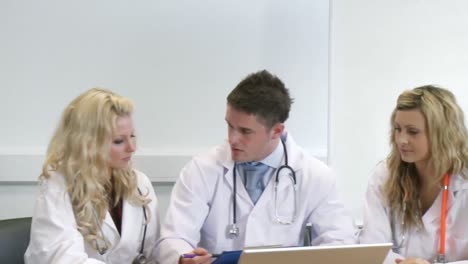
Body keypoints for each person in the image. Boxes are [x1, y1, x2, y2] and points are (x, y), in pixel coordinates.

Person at [155, 70, 356, 264]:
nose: (232, 138)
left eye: (245, 131)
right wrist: (183, 257)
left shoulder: (315, 175)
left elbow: (340, 242)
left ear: (276, 131)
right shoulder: (201, 170)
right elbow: (173, 238)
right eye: (230, 126)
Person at [24, 88, 160, 263]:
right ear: (88, 143)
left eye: (132, 136)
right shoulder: (58, 186)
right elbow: (61, 258)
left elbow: (152, 251)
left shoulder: (140, 184)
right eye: (119, 141)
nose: (132, 147)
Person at [359, 85, 468, 263]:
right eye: (397, 129)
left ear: (442, 134)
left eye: (413, 131)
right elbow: (372, 249)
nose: (402, 139)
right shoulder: (384, 176)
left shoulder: (464, 180)